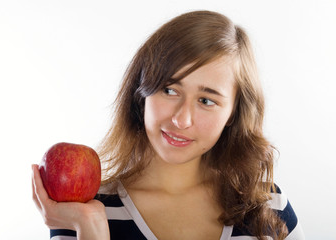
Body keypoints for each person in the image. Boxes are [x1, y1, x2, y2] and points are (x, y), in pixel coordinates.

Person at [32, 10, 305, 240]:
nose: (181, 119)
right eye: (170, 90)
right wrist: (91, 229)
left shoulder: (268, 207)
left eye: (206, 100)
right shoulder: (82, 213)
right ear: (142, 92)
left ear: (233, 113)